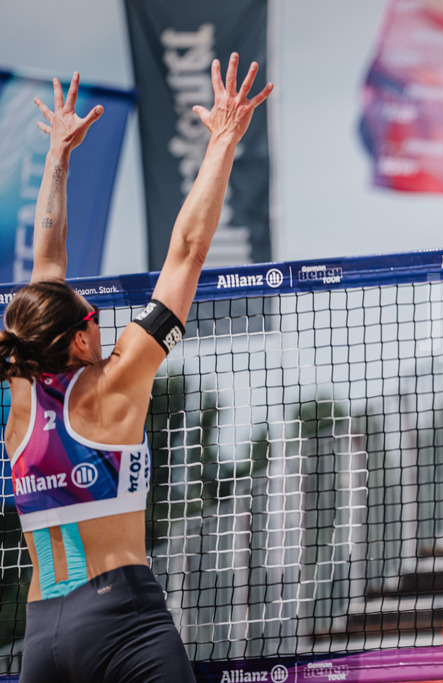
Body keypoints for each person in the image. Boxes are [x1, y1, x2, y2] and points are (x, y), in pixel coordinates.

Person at [0, 55, 272, 682]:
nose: (101, 319)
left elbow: (46, 265)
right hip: (120, 622)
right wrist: (223, 140)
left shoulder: (22, 394)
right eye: (93, 317)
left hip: (42, 637)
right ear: (79, 340)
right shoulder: (115, 383)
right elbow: (188, 252)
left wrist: (58, 156)